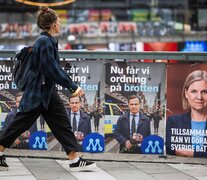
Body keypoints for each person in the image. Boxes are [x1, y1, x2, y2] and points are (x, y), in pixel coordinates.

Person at [0, 6, 96, 171]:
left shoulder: (49, 40)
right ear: (52, 24)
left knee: (61, 124)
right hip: (38, 94)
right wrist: (72, 86)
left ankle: (74, 159)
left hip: (47, 93)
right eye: (58, 21)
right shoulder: (44, 42)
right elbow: (51, 69)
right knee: (19, 125)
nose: (60, 24)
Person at [166, 70, 207, 158]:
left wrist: (192, 153)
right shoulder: (174, 122)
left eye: (204, 92)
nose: (199, 97)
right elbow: (170, 148)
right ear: (186, 94)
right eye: (193, 91)